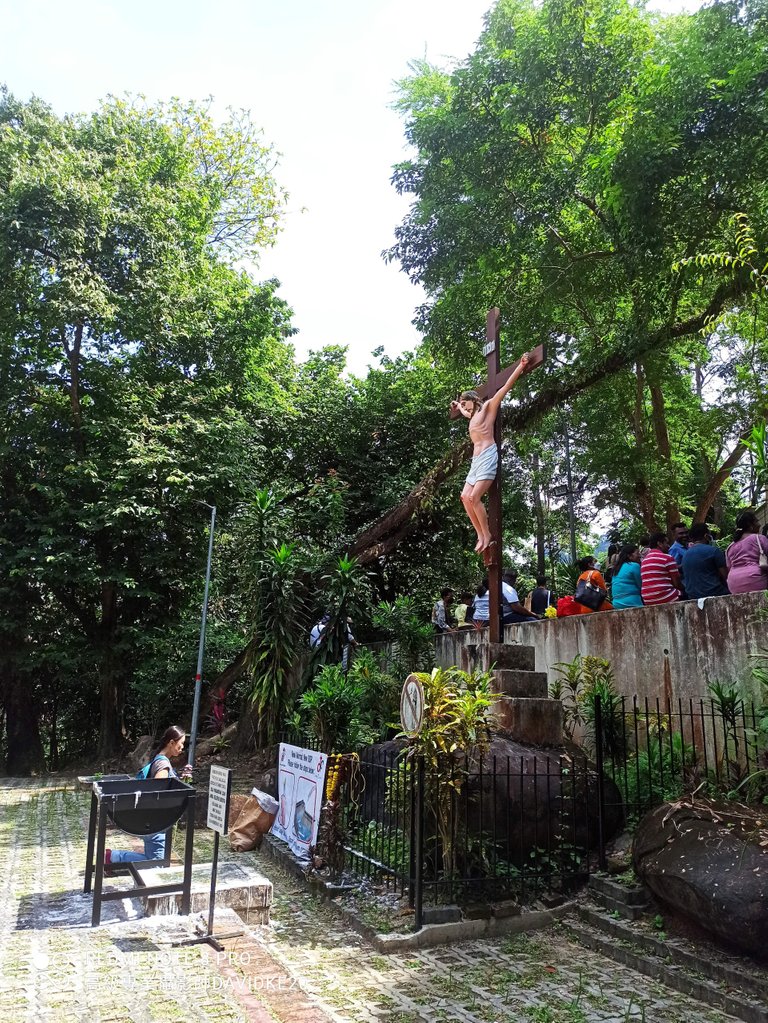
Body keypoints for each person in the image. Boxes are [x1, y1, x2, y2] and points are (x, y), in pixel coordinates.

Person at [451, 352, 531, 553]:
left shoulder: (487, 407)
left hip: (487, 454)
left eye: (464, 402)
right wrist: (457, 408)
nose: (463, 406)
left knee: (474, 497)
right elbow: (465, 413)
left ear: (472, 399)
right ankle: (480, 534)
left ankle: (487, 534)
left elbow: (505, 388)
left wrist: (520, 366)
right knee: (464, 497)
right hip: (476, 460)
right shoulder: (471, 415)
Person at [105, 725, 190, 870]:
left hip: (152, 821)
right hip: (157, 823)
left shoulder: (158, 759)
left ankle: (112, 858)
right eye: (181, 744)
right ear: (171, 743)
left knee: (155, 861)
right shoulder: (163, 765)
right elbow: (158, 795)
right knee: (156, 864)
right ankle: (112, 857)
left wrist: (181, 778)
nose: (182, 748)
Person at [681, 523, 729, 599]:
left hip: (693, 596)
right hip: (715, 592)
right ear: (706, 536)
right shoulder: (714, 551)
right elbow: (726, 576)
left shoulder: (685, 555)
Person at [726, 511, 768, 594]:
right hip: (756, 581)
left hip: (733, 585)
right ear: (750, 525)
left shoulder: (730, 547)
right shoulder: (759, 538)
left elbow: (728, 567)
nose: (759, 524)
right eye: (756, 521)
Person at [640, 532, 683, 605]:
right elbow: (677, 583)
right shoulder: (667, 558)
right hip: (665, 597)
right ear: (659, 544)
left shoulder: (644, 561)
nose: (669, 546)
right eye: (666, 543)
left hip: (647, 600)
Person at [611, 545, 644, 609]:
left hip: (616, 604)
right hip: (632, 602)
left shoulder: (616, 568)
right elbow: (641, 585)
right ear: (629, 556)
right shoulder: (634, 566)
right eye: (637, 553)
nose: (639, 555)